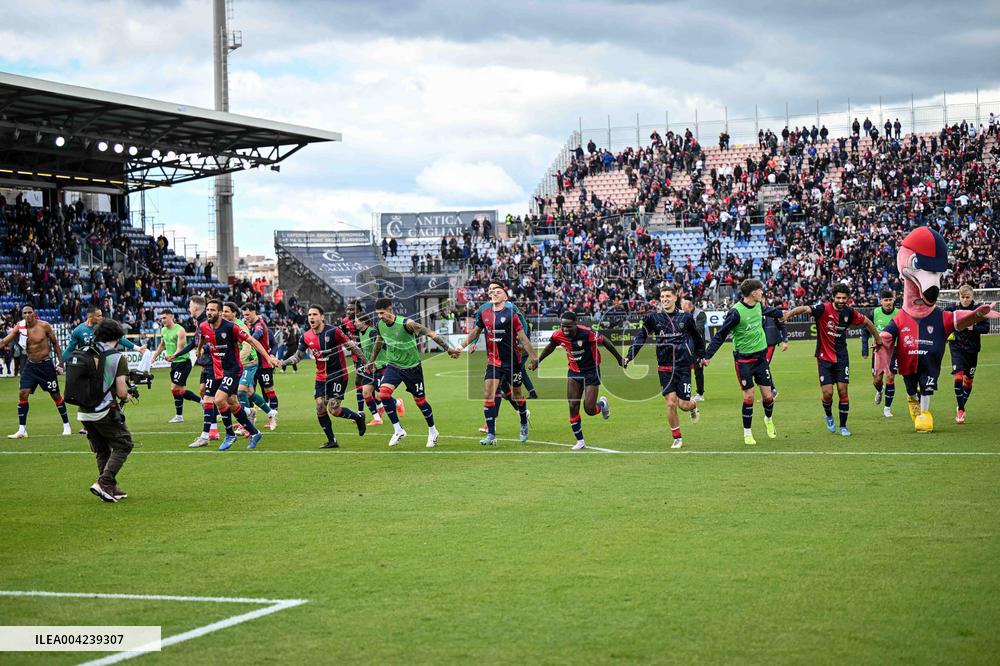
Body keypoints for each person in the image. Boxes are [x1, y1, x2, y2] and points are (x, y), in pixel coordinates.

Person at [784, 283, 880, 436]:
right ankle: (828, 415)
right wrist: (787, 315)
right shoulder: (823, 309)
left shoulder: (850, 312)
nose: (841, 300)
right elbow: (804, 309)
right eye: (838, 298)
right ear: (833, 297)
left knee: (843, 390)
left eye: (844, 298)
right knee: (828, 393)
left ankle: (843, 426)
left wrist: (878, 339)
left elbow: (867, 322)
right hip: (824, 358)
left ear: (848, 299)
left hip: (842, 357)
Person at [702, 279, 786, 446]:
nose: (762, 292)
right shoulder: (735, 313)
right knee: (749, 396)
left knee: (768, 397)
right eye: (760, 290)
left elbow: (770, 311)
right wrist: (708, 355)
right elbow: (721, 334)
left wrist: (783, 313)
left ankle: (768, 419)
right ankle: (747, 433)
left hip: (761, 359)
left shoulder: (759, 305)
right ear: (753, 293)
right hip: (744, 360)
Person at [369, 297, 461, 448]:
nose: (379, 316)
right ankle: (398, 430)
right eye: (377, 313)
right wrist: (372, 360)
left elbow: (431, 333)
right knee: (383, 394)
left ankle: (433, 431)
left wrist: (448, 349)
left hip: (412, 368)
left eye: (382, 313)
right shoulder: (379, 325)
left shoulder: (407, 324)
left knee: (420, 402)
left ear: (390, 310)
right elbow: (379, 341)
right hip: (393, 365)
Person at [188, 299, 278, 451]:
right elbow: (203, 337)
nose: (209, 312)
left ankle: (229, 434)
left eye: (213, 310)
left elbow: (251, 341)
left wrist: (268, 358)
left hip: (233, 370)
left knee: (219, 399)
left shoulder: (231, 327)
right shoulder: (203, 326)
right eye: (208, 310)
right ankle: (255, 433)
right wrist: (199, 349)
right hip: (217, 370)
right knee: (232, 403)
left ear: (220, 313)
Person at [455, 284, 539, 446]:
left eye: (498, 292)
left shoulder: (511, 314)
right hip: (493, 362)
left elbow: (522, 337)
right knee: (488, 394)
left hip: (512, 362)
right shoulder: (484, 312)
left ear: (505, 297)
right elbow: (475, 332)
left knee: (518, 395)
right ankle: (491, 435)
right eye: (493, 292)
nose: (494, 293)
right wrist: (460, 347)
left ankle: (523, 421)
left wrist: (534, 357)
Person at [278, 305, 368, 449]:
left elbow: (351, 346)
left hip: (338, 374)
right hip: (321, 376)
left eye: (314, 314)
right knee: (320, 407)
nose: (311, 317)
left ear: (322, 317)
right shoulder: (306, 336)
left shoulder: (334, 331)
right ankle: (332, 440)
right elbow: (298, 356)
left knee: (334, 409)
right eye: (309, 315)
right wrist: (283, 362)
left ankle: (358, 417)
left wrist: (366, 362)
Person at [625, 286, 703, 449]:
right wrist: (630, 356)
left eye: (668, 296)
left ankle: (693, 406)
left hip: (683, 367)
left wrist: (703, 356)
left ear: (675, 298)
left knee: (684, 405)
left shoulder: (686, 318)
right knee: (671, 403)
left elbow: (696, 338)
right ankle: (677, 438)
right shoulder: (653, 318)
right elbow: (641, 337)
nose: (665, 299)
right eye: (662, 296)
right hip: (664, 367)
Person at [532, 311, 623, 450]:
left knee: (589, 409)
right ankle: (580, 441)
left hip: (591, 371)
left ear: (575, 324)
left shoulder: (587, 333)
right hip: (574, 372)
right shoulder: (558, 335)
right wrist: (538, 360)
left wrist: (619, 359)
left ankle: (603, 404)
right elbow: (551, 346)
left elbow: (605, 342)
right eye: (563, 326)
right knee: (573, 406)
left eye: (568, 326)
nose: (565, 329)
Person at [76, 319, 134, 503]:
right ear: (117, 336)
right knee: (124, 444)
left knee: (102, 449)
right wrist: (128, 396)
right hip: (103, 409)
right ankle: (105, 482)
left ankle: (110, 488)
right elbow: (122, 392)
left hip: (83, 410)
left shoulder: (85, 351)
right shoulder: (116, 357)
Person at [0, 304, 71, 438]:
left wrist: (61, 362)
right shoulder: (20, 327)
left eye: (29, 312)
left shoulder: (44, 326)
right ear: (22, 315)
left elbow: (55, 343)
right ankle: (22, 430)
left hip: (46, 365)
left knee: (55, 395)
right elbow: (4, 341)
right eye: (25, 313)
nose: (27, 315)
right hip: (31, 365)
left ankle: (66, 425)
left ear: (34, 313)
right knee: (23, 393)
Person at [221, 302, 276, 438]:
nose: (223, 314)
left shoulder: (240, 326)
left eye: (226, 311)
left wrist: (237, 361)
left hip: (249, 362)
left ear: (234, 313)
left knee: (240, 391)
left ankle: (246, 423)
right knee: (250, 392)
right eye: (222, 311)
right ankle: (271, 413)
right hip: (240, 363)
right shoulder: (225, 325)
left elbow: (247, 345)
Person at [944, 285, 991, 423]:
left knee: (968, 381)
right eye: (962, 297)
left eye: (967, 297)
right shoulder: (952, 309)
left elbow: (986, 328)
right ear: (959, 297)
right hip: (957, 347)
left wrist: (973, 327)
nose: (965, 300)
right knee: (958, 377)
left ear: (972, 297)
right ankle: (961, 410)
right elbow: (943, 322)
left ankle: (961, 404)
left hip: (972, 349)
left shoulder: (978, 311)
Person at [178, 296, 220, 443]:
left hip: (213, 364)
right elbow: (195, 343)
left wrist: (203, 349)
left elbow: (212, 343)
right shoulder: (199, 323)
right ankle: (213, 428)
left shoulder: (206, 323)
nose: (188, 308)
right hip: (205, 364)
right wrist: (177, 355)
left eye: (190, 306)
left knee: (218, 398)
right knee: (204, 392)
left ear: (195, 307)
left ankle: (211, 431)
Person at [353, 305, 404, 426]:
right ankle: (377, 418)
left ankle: (398, 403)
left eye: (356, 321)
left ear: (363, 322)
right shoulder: (360, 333)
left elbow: (383, 345)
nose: (355, 323)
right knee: (366, 393)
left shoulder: (372, 332)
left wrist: (389, 359)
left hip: (382, 367)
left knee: (379, 396)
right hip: (370, 368)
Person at [150, 309, 201, 423]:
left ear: (171, 317)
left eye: (165, 318)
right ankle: (200, 403)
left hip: (183, 362)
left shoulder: (180, 330)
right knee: (180, 390)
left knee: (174, 388)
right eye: (161, 318)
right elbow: (162, 345)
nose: (163, 320)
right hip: (174, 363)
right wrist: (154, 357)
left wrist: (172, 356)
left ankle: (180, 415)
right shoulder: (163, 330)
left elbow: (180, 348)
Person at [861, 288, 899, 418]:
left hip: (894, 349)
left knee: (890, 377)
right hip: (878, 350)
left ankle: (887, 408)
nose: (888, 302)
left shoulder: (899, 313)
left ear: (893, 300)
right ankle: (880, 390)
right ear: (881, 301)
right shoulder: (874, 313)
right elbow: (865, 330)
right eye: (885, 300)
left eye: (890, 300)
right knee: (877, 380)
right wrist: (865, 350)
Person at [242, 302, 279, 430]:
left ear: (254, 312)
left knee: (269, 391)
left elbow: (255, 337)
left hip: (264, 365)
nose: (246, 317)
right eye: (244, 315)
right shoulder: (247, 325)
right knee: (248, 391)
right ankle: (250, 418)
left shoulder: (260, 326)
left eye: (247, 314)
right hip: (251, 364)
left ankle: (273, 418)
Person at [762, 302, 789, 399]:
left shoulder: (772, 312)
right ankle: (769, 392)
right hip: (759, 345)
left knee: (764, 366)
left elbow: (782, 326)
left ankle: (772, 391)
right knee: (762, 367)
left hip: (770, 343)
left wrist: (785, 341)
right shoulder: (753, 312)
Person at [682, 299, 708, 401]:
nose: (683, 308)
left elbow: (698, 329)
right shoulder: (683, 314)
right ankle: (685, 392)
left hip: (698, 346)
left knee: (698, 370)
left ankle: (700, 393)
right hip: (686, 345)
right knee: (684, 369)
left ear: (691, 306)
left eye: (684, 306)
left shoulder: (700, 314)